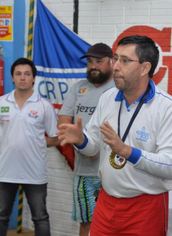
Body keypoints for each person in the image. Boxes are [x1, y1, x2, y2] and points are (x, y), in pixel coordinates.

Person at [57, 35, 172, 236]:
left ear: (144, 68)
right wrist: (81, 140)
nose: (115, 66)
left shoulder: (166, 106)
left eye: (124, 61)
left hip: (145, 207)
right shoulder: (107, 98)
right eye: (116, 58)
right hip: (106, 202)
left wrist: (127, 151)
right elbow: (93, 147)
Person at [0, 58, 59, 236]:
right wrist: (7, 139)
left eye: (27, 74)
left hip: (34, 173)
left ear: (34, 78)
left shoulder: (44, 106)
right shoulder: (0, 103)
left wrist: (37, 142)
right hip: (5, 171)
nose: (23, 78)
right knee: (0, 217)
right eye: (18, 74)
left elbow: (56, 138)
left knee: (40, 217)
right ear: (12, 77)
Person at [58, 42, 114, 236]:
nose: (93, 66)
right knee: (86, 224)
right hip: (84, 172)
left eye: (99, 61)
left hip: (113, 172)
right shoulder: (78, 88)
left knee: (113, 224)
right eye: (90, 61)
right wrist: (82, 145)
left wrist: (99, 147)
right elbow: (64, 123)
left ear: (112, 62)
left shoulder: (119, 89)